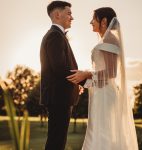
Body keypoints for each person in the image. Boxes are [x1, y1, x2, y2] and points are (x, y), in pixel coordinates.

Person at [67, 7, 139, 150]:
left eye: (94, 19)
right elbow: (103, 73)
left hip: (106, 94)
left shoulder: (110, 39)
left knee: (103, 132)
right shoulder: (106, 39)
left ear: (104, 21)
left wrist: (87, 74)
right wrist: (86, 81)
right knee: (99, 131)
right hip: (101, 92)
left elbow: (111, 73)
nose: (91, 22)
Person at [40, 1, 84, 150]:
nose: (72, 17)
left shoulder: (57, 35)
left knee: (57, 139)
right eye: (69, 13)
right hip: (58, 97)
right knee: (56, 141)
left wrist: (76, 83)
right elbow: (60, 68)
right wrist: (83, 81)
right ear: (58, 15)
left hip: (59, 96)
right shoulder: (55, 36)